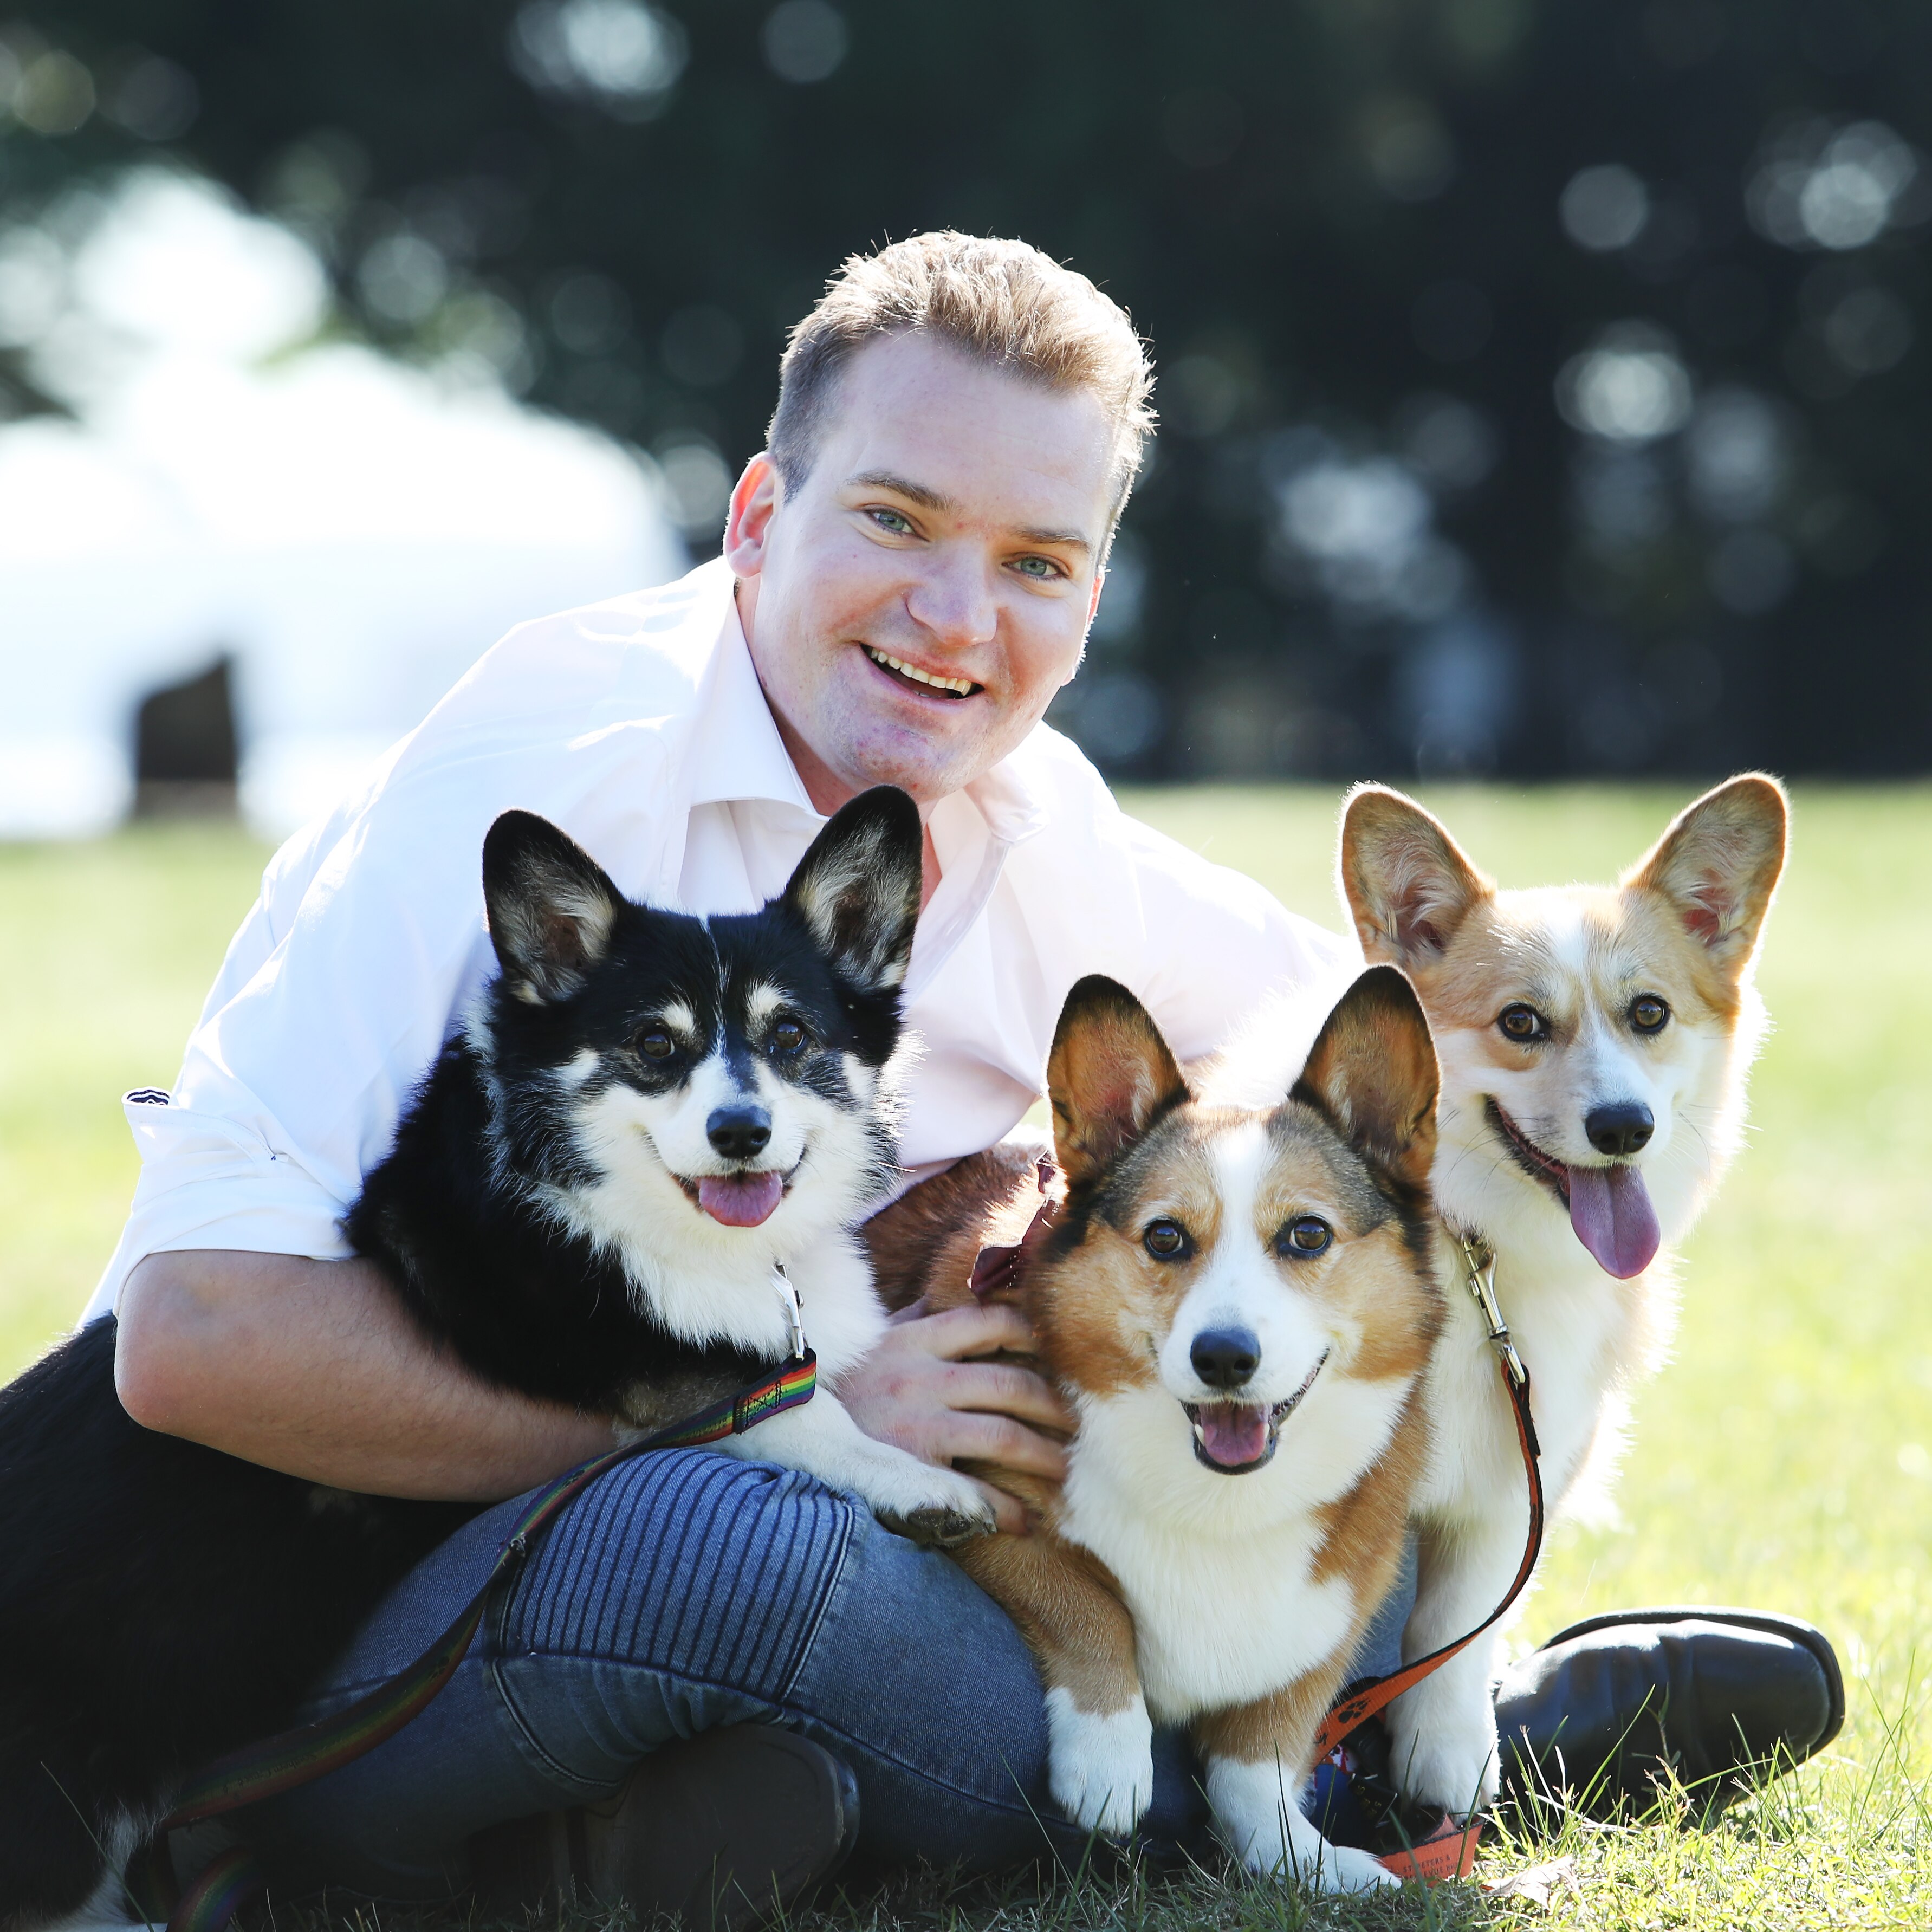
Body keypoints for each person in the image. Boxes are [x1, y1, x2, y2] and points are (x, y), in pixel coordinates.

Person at [99, 234, 1839, 1919]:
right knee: (749, 1554)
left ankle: (1310, 1715)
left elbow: (1421, 1050)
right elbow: (195, 1343)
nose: (957, 616)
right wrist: (780, 1413)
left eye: (1038, 562)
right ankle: (1390, 1759)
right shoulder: (532, 786)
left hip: (855, 1518)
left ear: (1091, 596)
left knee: (1308, 1457)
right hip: (354, 1608)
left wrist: (1609, 1102)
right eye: (897, 521)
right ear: (761, 520)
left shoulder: (1030, 820)